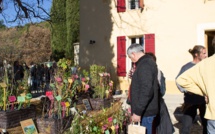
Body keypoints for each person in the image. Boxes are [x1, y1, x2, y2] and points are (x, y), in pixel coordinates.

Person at [176, 53, 215, 134]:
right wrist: (202, 91)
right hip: (192, 100)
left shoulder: (205, 64)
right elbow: (180, 81)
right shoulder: (189, 67)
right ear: (197, 54)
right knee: (187, 122)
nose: (206, 55)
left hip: (204, 101)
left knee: (205, 122)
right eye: (204, 53)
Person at [127, 43, 159, 134]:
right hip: (145, 111)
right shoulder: (146, 63)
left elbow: (147, 90)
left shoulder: (145, 65)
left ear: (133, 54)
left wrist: (137, 112)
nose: (132, 60)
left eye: (130, 57)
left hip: (146, 112)